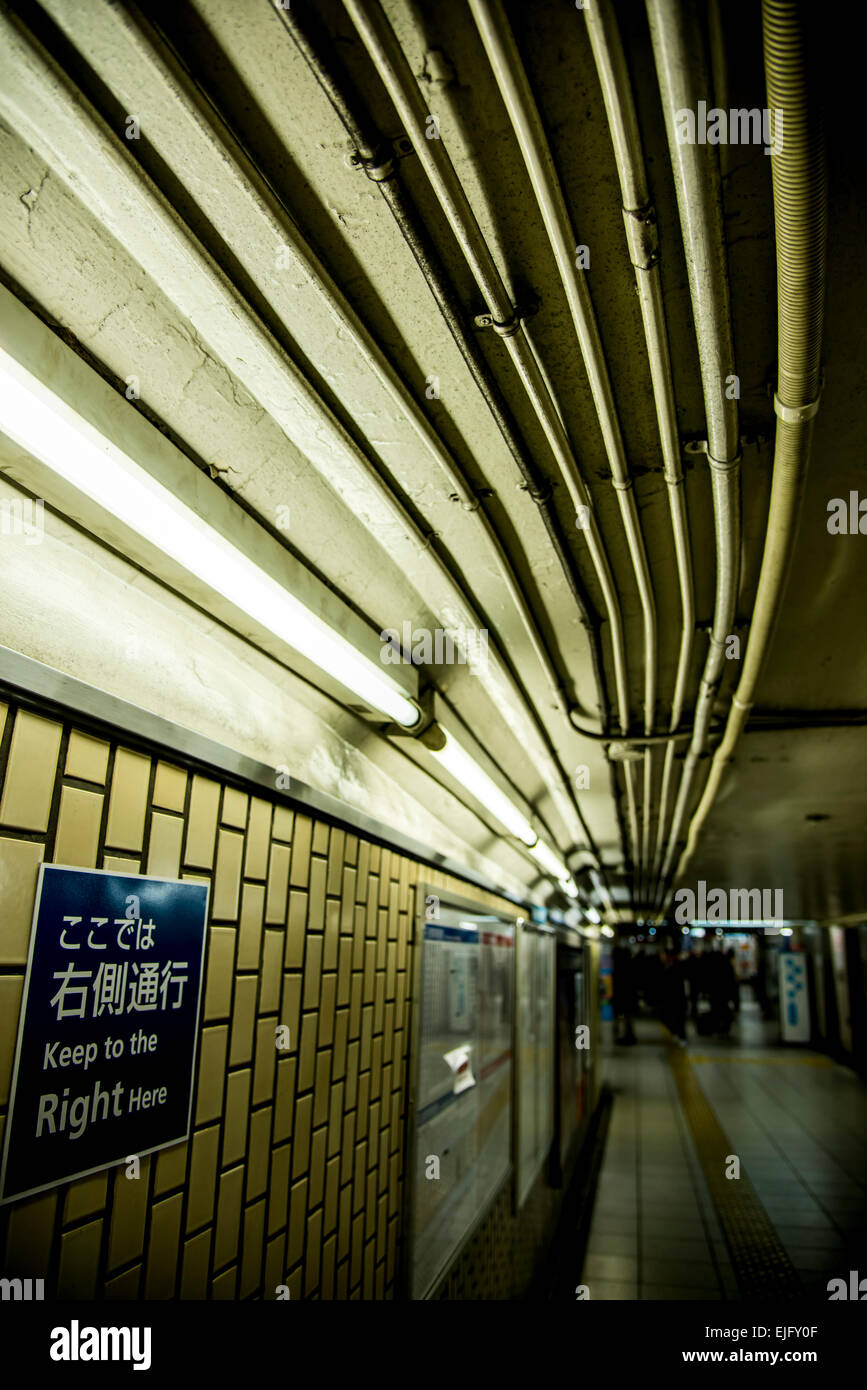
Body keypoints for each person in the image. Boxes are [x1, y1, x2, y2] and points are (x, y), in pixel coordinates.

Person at [658, 948, 688, 1045]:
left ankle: (682, 1037)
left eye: (663, 955)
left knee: (679, 1018)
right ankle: (675, 1032)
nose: (661, 957)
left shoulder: (678, 966)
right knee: (669, 1017)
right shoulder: (664, 967)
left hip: (678, 998)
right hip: (668, 998)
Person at [612, 944, 636, 1044]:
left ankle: (622, 1036)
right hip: (629, 997)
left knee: (621, 1018)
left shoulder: (617, 967)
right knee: (628, 1018)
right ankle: (629, 1036)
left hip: (620, 997)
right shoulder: (630, 966)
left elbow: (616, 985)